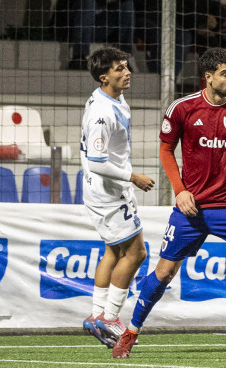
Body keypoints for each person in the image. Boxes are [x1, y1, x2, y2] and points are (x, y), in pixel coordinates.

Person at [110, 48, 226, 362]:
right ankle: (130, 333)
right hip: (192, 208)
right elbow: (166, 152)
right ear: (208, 77)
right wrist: (180, 191)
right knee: (164, 273)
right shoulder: (183, 108)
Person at [79, 47, 155, 348]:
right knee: (136, 254)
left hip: (105, 191)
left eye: (126, 66)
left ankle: (96, 316)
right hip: (109, 193)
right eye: (119, 68)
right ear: (103, 77)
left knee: (113, 251)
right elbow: (97, 161)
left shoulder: (112, 99)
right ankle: (110, 317)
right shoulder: (101, 112)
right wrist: (132, 177)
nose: (127, 72)